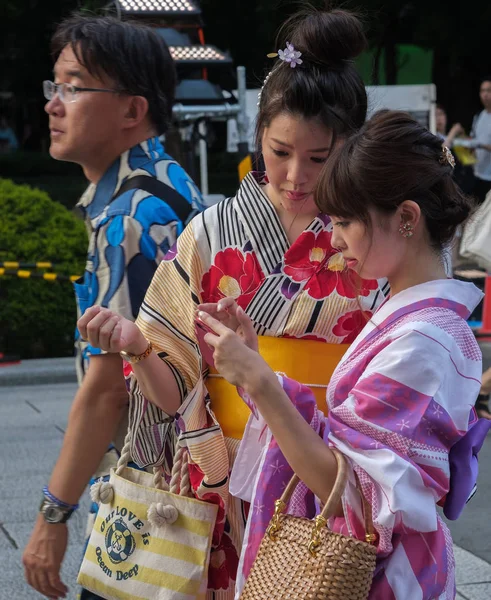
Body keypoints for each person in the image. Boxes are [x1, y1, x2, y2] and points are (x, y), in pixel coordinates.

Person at [76, 5, 389, 597]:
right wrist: (141, 348)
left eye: (320, 159)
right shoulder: (211, 233)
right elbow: (175, 390)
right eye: (279, 151)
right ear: (256, 136)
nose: (295, 176)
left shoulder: (372, 244)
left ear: (352, 148)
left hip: (325, 481)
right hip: (219, 481)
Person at [191, 110, 491, 598]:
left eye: (347, 221)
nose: (333, 239)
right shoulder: (416, 319)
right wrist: (255, 366)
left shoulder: (424, 341)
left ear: (407, 218)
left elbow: (349, 490)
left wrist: (261, 383)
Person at [22, 14, 203, 600]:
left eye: (74, 86)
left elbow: (107, 389)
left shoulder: (126, 219)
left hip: (150, 490)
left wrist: (53, 518)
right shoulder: (171, 180)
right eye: (55, 85)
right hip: (198, 470)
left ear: (132, 109)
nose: (54, 103)